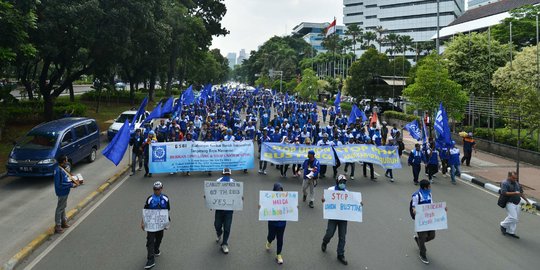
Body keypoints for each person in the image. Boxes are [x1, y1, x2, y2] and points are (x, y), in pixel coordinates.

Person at [321, 175, 361, 265]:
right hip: (333, 216)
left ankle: (340, 254)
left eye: (344, 182)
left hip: (343, 218)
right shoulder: (331, 190)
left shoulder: (347, 193)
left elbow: (354, 202)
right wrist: (323, 199)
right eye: (341, 182)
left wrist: (359, 203)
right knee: (329, 233)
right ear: (337, 182)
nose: (343, 184)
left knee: (342, 237)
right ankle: (325, 241)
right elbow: (324, 199)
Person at [411, 179, 447, 264]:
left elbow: (432, 207)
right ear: (425, 187)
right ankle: (422, 254)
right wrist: (415, 210)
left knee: (432, 236)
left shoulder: (429, 194)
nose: (430, 188)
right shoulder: (416, 196)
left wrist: (442, 209)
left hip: (429, 220)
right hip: (421, 221)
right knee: (423, 237)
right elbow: (414, 207)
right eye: (429, 186)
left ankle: (419, 241)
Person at [141, 181, 170, 269]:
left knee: (159, 238)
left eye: (158, 189)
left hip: (160, 224)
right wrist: (142, 222)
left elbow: (167, 210)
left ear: (161, 189)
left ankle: (156, 249)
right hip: (151, 224)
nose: (157, 191)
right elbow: (145, 211)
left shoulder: (166, 198)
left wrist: (167, 221)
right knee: (150, 240)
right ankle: (150, 259)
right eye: (155, 189)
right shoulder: (149, 199)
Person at [54, 155, 81, 234]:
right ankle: (58, 226)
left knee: (63, 207)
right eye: (66, 160)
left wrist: (73, 180)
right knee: (60, 208)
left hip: (65, 191)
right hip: (62, 192)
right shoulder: (58, 170)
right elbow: (59, 184)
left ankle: (63, 222)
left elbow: (65, 179)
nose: (67, 161)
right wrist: (71, 185)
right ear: (63, 161)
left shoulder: (62, 169)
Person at [214, 168, 238, 254]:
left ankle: (224, 244)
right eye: (225, 174)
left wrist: (240, 198)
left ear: (230, 174)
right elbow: (212, 193)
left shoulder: (233, 182)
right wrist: (208, 198)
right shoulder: (218, 181)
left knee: (227, 228)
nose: (226, 175)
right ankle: (219, 233)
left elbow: (237, 194)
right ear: (222, 174)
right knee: (217, 225)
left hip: (229, 210)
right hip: (219, 209)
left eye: (228, 174)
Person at [500, 171, 530, 239]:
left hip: (517, 202)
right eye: (513, 178)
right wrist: (514, 193)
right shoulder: (504, 183)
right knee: (513, 217)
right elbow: (504, 193)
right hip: (509, 202)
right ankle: (503, 225)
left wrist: (527, 201)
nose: (515, 179)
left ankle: (511, 231)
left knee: (516, 219)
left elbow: (521, 193)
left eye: (516, 178)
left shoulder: (517, 184)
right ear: (509, 176)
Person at [264, 183, 287, 265]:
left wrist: (295, 208)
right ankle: (269, 241)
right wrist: (261, 207)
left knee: (280, 239)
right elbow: (264, 208)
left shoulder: (285, 199)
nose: (279, 193)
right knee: (271, 236)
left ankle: (279, 254)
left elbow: (290, 208)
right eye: (278, 191)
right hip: (272, 223)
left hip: (282, 223)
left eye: (281, 191)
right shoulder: (269, 199)